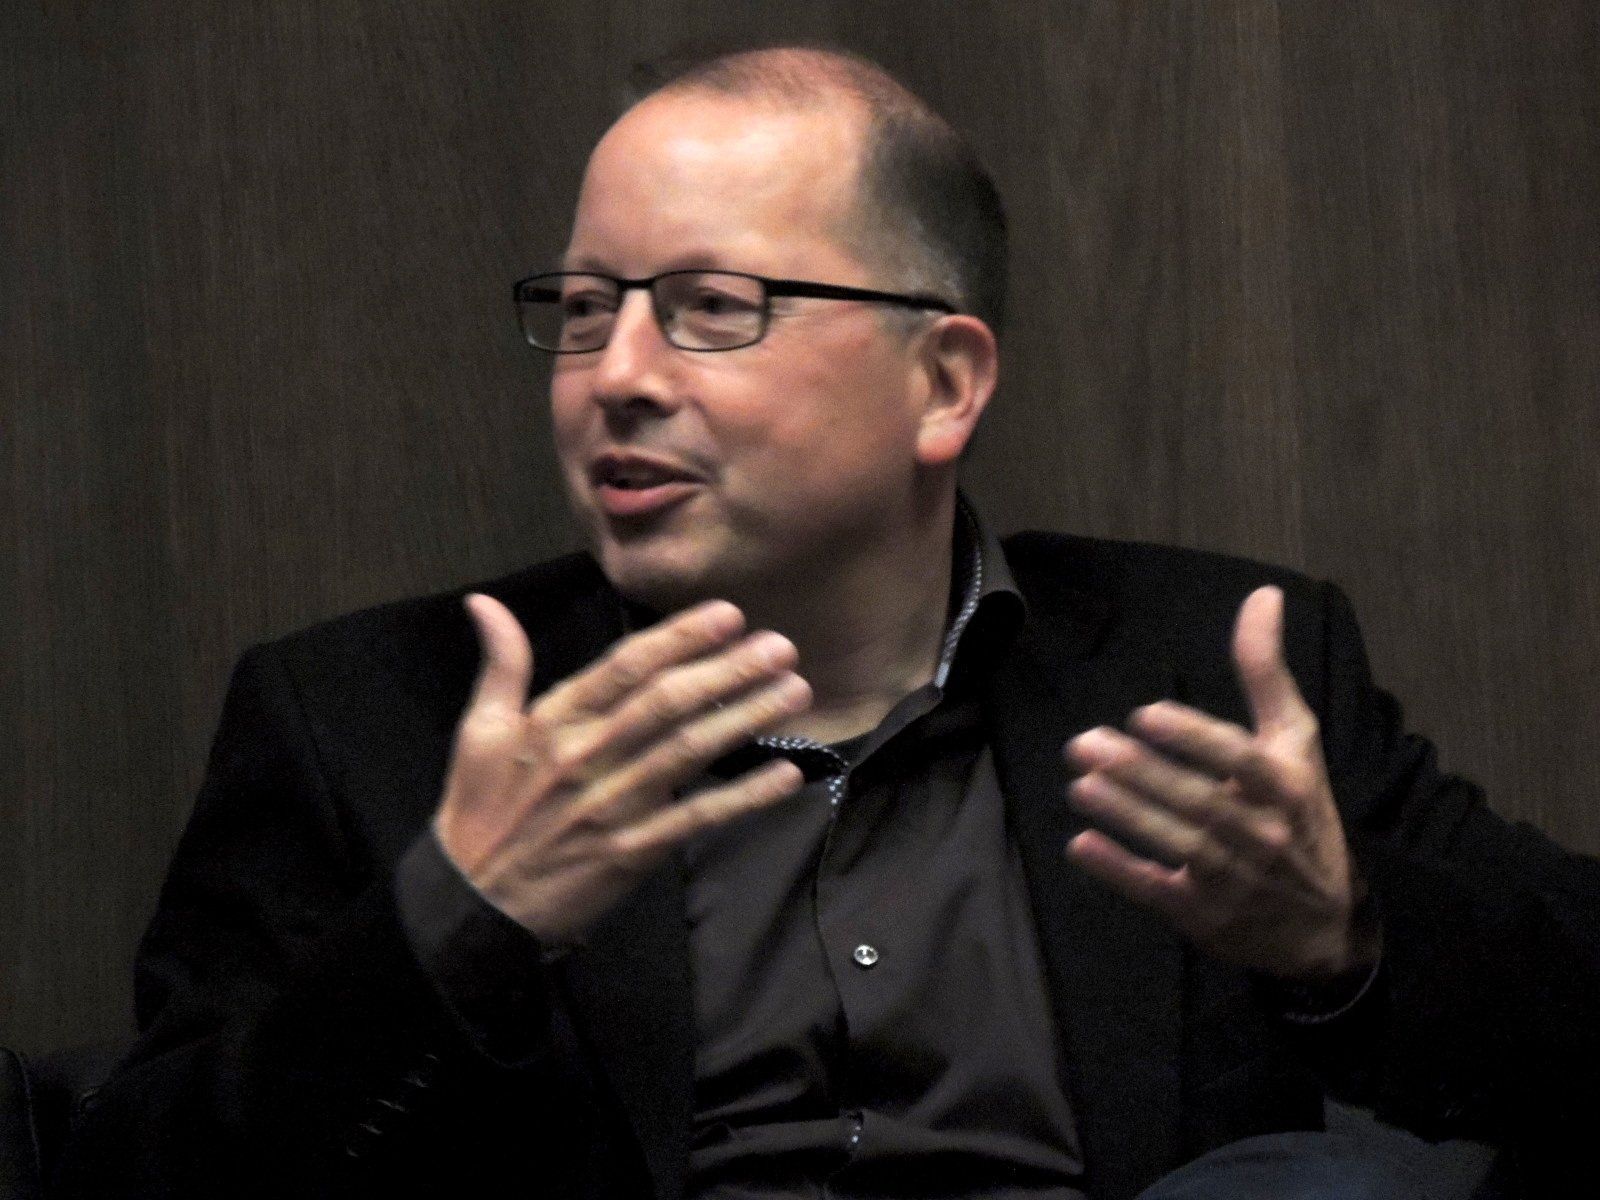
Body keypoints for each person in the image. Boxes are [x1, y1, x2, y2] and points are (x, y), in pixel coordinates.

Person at [57, 45, 1598, 1200]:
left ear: (944, 383)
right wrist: (455, 924)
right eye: (585, 309)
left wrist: (1349, 940)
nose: (616, 376)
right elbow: (137, 1170)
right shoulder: (371, 718)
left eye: (711, 307)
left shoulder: (1210, 663)